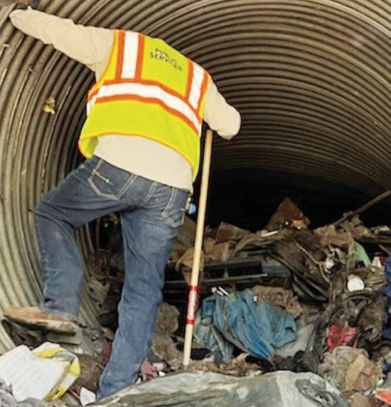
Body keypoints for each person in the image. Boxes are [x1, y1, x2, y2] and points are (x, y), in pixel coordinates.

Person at [3, 2, 241, 399]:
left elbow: (61, 32)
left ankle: (60, 311)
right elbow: (230, 124)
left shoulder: (121, 46)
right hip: (171, 187)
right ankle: (116, 390)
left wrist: (16, 15)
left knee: (54, 213)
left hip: (119, 165)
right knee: (144, 287)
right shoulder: (198, 79)